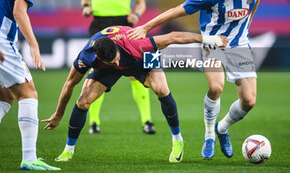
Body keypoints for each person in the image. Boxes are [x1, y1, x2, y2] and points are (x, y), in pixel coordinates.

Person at [127, 0, 267, 160]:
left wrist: (246, 26)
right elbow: (176, 10)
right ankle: (209, 134)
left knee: (249, 101)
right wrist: (146, 27)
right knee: (216, 87)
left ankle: (222, 129)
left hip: (239, 46)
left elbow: (254, 2)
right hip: (213, 45)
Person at [42, 26, 227, 163]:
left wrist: (208, 39)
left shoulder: (137, 45)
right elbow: (69, 84)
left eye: (117, 57)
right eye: (114, 60)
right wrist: (58, 114)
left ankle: (177, 140)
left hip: (140, 59)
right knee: (83, 102)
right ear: (99, 58)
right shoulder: (87, 56)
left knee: (162, 90)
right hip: (108, 69)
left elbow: (173, 36)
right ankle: (68, 150)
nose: (118, 60)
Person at [81, 0, 155, 135]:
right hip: (99, 25)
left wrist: (136, 15)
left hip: (123, 25)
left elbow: (141, 3)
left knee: (135, 72)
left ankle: (147, 121)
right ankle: (94, 122)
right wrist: (85, 6)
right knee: (96, 72)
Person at [0, 0, 60, 170]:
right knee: (28, 93)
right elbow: (18, 11)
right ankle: (29, 158)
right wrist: (34, 45)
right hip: (3, 42)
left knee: (5, 95)